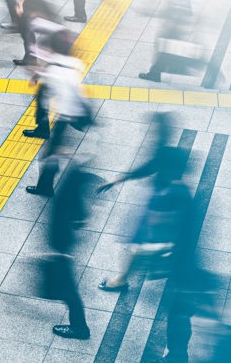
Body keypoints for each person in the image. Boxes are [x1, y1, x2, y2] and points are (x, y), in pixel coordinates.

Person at [98, 147, 191, 292]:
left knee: (137, 251)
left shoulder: (174, 191)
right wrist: (116, 180)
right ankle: (122, 279)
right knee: (136, 251)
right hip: (155, 229)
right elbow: (146, 169)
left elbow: (170, 219)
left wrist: (155, 221)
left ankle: (120, 281)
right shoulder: (174, 183)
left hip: (157, 233)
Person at [25, 29, 91, 197]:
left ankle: (45, 186)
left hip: (66, 114)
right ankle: (43, 129)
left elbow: (46, 85)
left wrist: (35, 76)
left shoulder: (54, 70)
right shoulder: (75, 63)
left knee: (50, 154)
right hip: (79, 111)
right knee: (54, 149)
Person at [45, 163, 91, 340]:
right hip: (64, 241)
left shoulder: (72, 179)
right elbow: (78, 211)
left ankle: (79, 328)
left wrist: (59, 251)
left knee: (69, 289)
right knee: (68, 287)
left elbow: (66, 213)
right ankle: (79, 326)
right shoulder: (75, 177)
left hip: (62, 243)